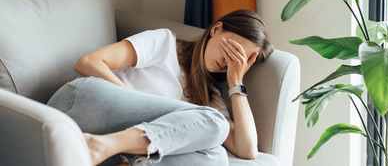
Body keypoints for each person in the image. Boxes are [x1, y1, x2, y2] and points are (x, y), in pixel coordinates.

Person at [47, 9, 274, 166]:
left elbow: (247, 150)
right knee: (215, 122)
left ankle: (107, 150)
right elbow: (88, 63)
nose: (228, 61)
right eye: (231, 50)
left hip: (110, 147)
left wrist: (236, 82)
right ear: (216, 30)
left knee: (216, 159)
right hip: (78, 105)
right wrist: (136, 102)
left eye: (238, 60)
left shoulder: (210, 99)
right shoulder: (165, 44)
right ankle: (100, 145)